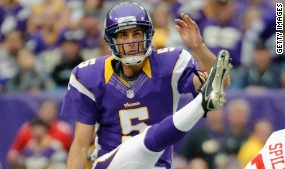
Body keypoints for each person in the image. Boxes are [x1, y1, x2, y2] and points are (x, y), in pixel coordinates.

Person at [61, 2, 231, 169]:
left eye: (136, 34)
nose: (131, 41)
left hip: (157, 166)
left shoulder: (169, 63)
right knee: (147, 142)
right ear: (111, 39)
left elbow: (220, 83)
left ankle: (202, 102)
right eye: (123, 35)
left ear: (148, 35)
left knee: (151, 147)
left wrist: (198, 47)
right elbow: (80, 145)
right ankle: (201, 105)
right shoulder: (89, 75)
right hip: (113, 165)